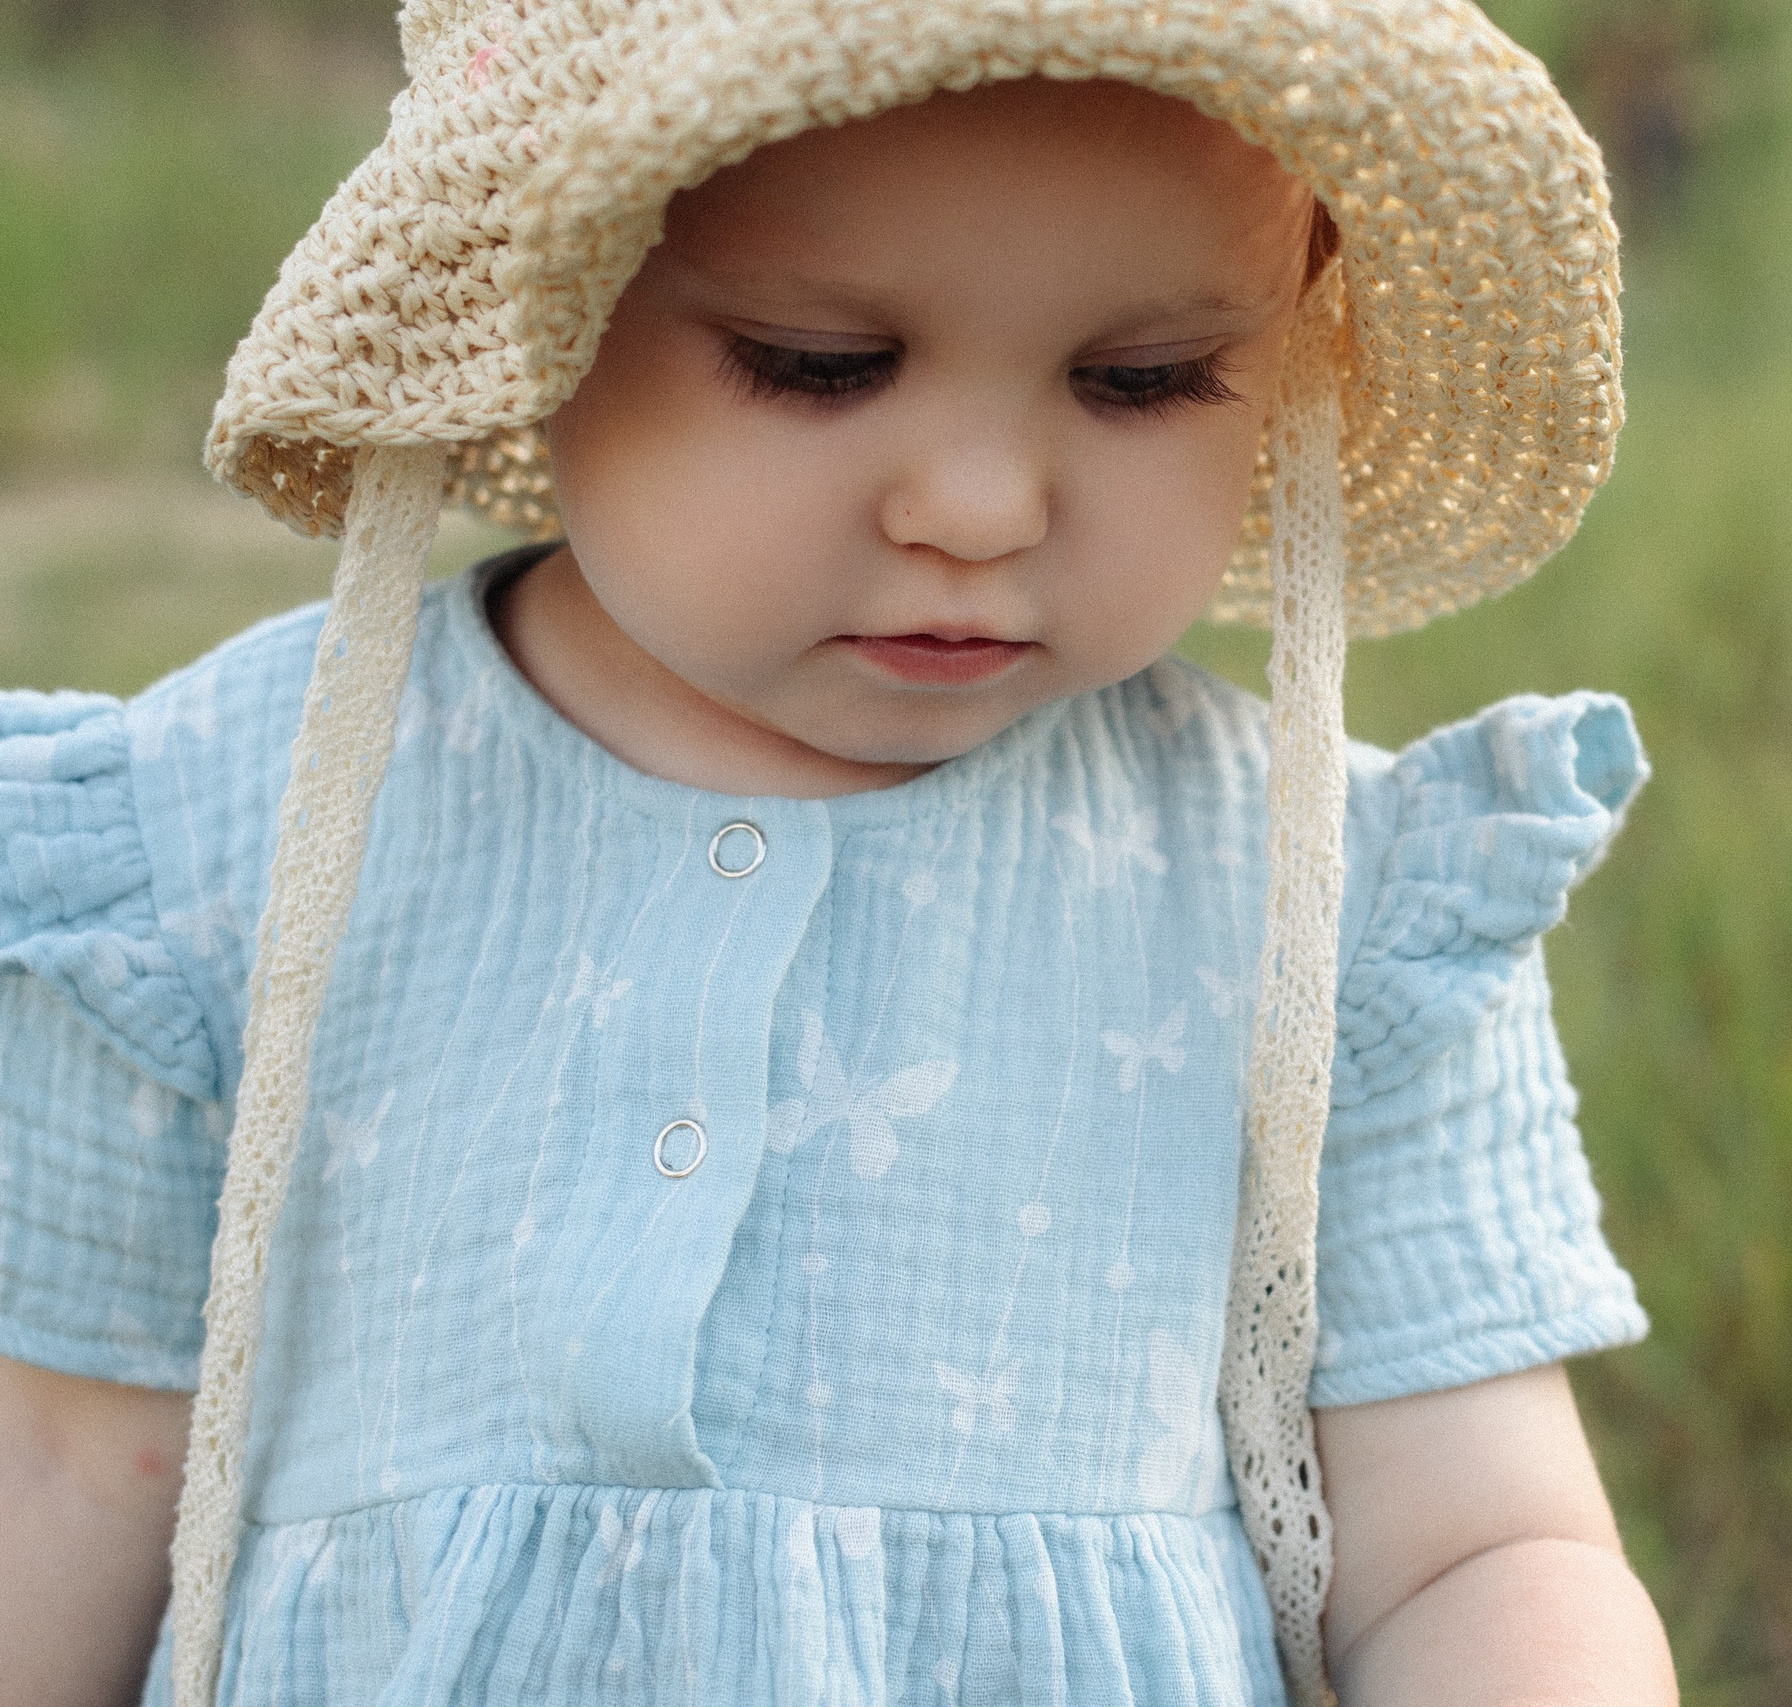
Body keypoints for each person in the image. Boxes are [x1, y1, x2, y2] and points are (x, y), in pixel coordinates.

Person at [0, 5, 1677, 1704]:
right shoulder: (220, 835)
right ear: (541, 315)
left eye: (1143, 379)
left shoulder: (1326, 903)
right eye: (817, 364)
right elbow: (73, 1466)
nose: (979, 503)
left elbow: (1480, 1542)